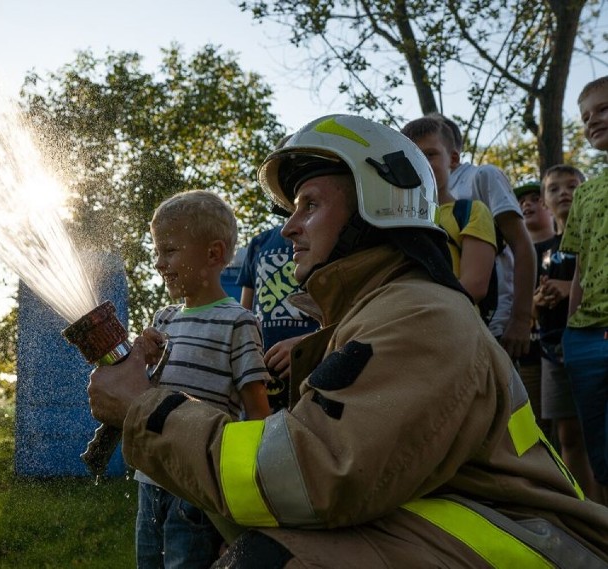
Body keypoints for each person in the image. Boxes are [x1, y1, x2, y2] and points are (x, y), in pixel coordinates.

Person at [88, 115, 608, 566]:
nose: (289, 227)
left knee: (270, 561)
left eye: (308, 204)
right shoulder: (384, 310)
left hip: (530, 549)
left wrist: (146, 410)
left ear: (375, 208)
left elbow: (309, 474)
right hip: (478, 524)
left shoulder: (418, 315)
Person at [135, 189, 272, 568]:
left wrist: (245, 508)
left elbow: (257, 413)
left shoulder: (238, 322)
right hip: (150, 480)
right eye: (157, 251)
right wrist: (138, 361)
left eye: (170, 250)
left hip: (196, 490)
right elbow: (145, 396)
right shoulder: (163, 319)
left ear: (213, 254)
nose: (159, 263)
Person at [433, 113, 537, 360]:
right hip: (449, 324)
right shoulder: (429, 194)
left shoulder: (482, 176)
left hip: (495, 322)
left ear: (451, 150)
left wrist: (521, 319)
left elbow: (522, 245)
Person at [534, 165, 602, 503]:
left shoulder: (597, 236)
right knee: (567, 433)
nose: (564, 192)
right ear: (545, 202)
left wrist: (565, 288)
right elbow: (532, 298)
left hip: (592, 342)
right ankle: (588, 513)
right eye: (554, 188)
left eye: (572, 185)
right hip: (552, 349)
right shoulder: (542, 248)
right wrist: (539, 299)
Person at [561, 76, 608, 506]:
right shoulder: (587, 192)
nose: (594, 120)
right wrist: (570, 332)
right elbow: (580, 265)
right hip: (584, 337)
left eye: (604, 108)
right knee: (601, 458)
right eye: (586, 116)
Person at [401, 116, 496, 306]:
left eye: (429, 154)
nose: (420, 163)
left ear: (453, 159)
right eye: (412, 156)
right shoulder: (396, 219)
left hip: (455, 325)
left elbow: (475, 286)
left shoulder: (472, 212)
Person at [237, 211, 320, 411]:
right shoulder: (259, 242)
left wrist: (308, 346)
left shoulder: (323, 237)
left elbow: (346, 316)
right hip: (262, 375)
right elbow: (243, 314)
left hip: (312, 370)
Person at [515, 180, 556, 438]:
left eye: (534, 198)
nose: (526, 204)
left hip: (561, 355)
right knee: (530, 431)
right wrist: (532, 303)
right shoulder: (512, 253)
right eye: (521, 201)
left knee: (566, 431)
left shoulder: (568, 246)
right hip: (526, 355)